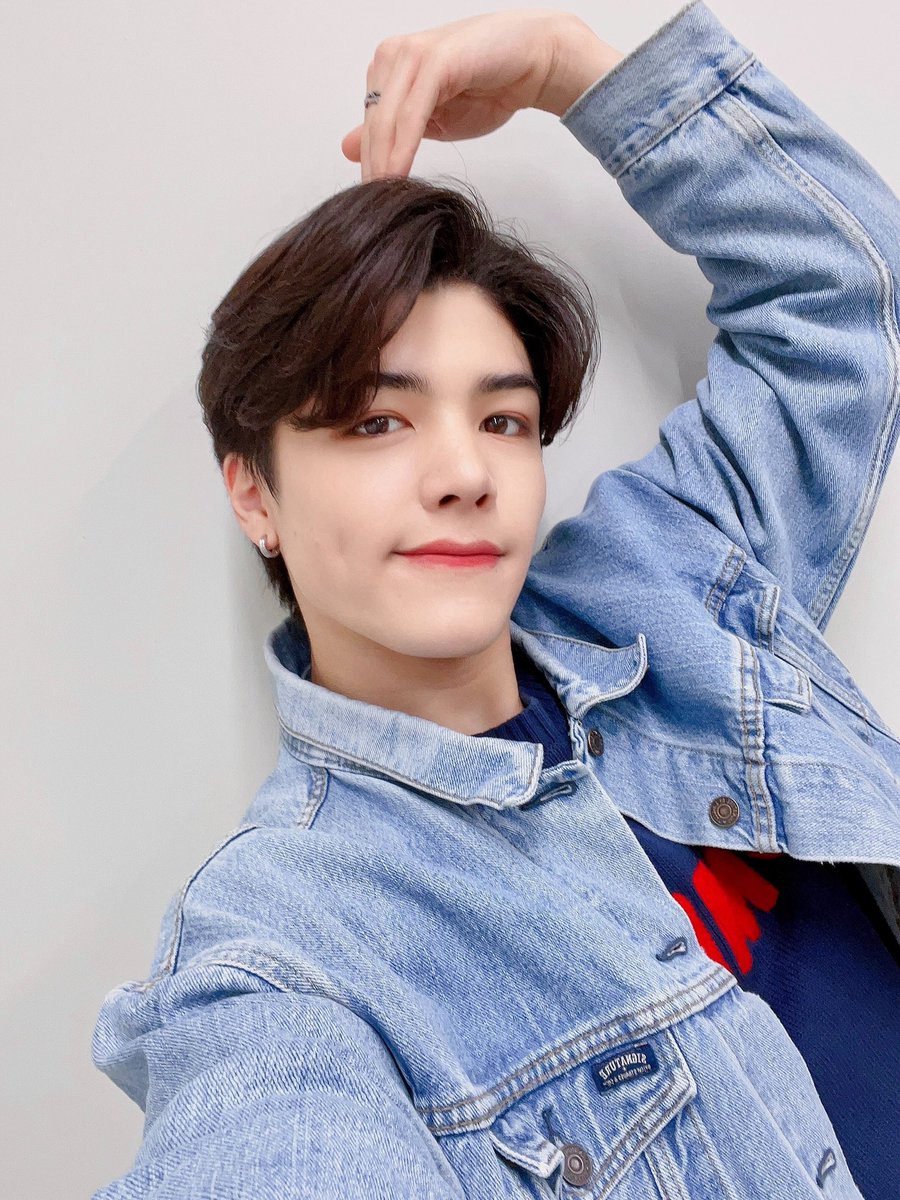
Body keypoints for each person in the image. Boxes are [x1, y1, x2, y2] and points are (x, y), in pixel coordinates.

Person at [90, 2, 900, 1197]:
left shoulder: (661, 579)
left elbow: (839, 296)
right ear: (254, 493)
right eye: (378, 421)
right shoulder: (280, 948)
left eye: (505, 419)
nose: (465, 472)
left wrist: (568, 67)